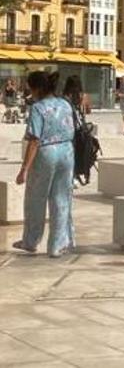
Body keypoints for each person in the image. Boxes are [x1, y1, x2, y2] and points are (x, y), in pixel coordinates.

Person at [11, 72, 74, 258]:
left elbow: (34, 140)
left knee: (35, 199)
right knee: (61, 199)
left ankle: (30, 241)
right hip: (67, 151)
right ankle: (57, 245)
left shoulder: (38, 108)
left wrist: (24, 170)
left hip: (46, 153)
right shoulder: (65, 104)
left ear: (37, 88)